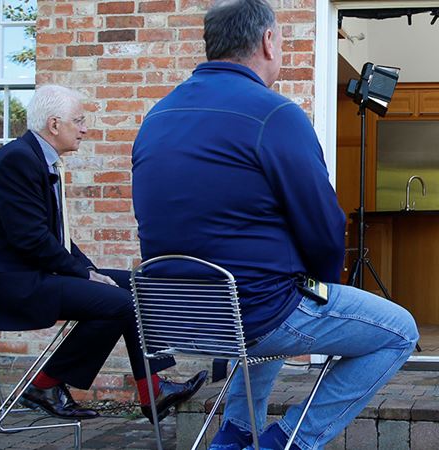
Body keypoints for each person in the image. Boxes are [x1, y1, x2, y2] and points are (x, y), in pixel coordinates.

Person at [131, 0, 419, 448]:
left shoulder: (156, 117)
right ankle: (286, 441)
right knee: (400, 332)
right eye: (282, 39)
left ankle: (234, 434)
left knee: (270, 294)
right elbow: (326, 225)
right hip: (254, 312)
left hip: (179, 316)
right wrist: (320, 286)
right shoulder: (274, 114)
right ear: (268, 41)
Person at [0, 85, 207, 423]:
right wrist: (84, 274)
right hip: (8, 282)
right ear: (54, 124)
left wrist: (88, 269)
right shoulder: (17, 160)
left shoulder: (37, 159)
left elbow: (57, 238)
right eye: (79, 120)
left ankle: (153, 389)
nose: (86, 128)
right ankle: (46, 384)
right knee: (119, 302)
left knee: (135, 285)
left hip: (32, 271)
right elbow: (30, 239)